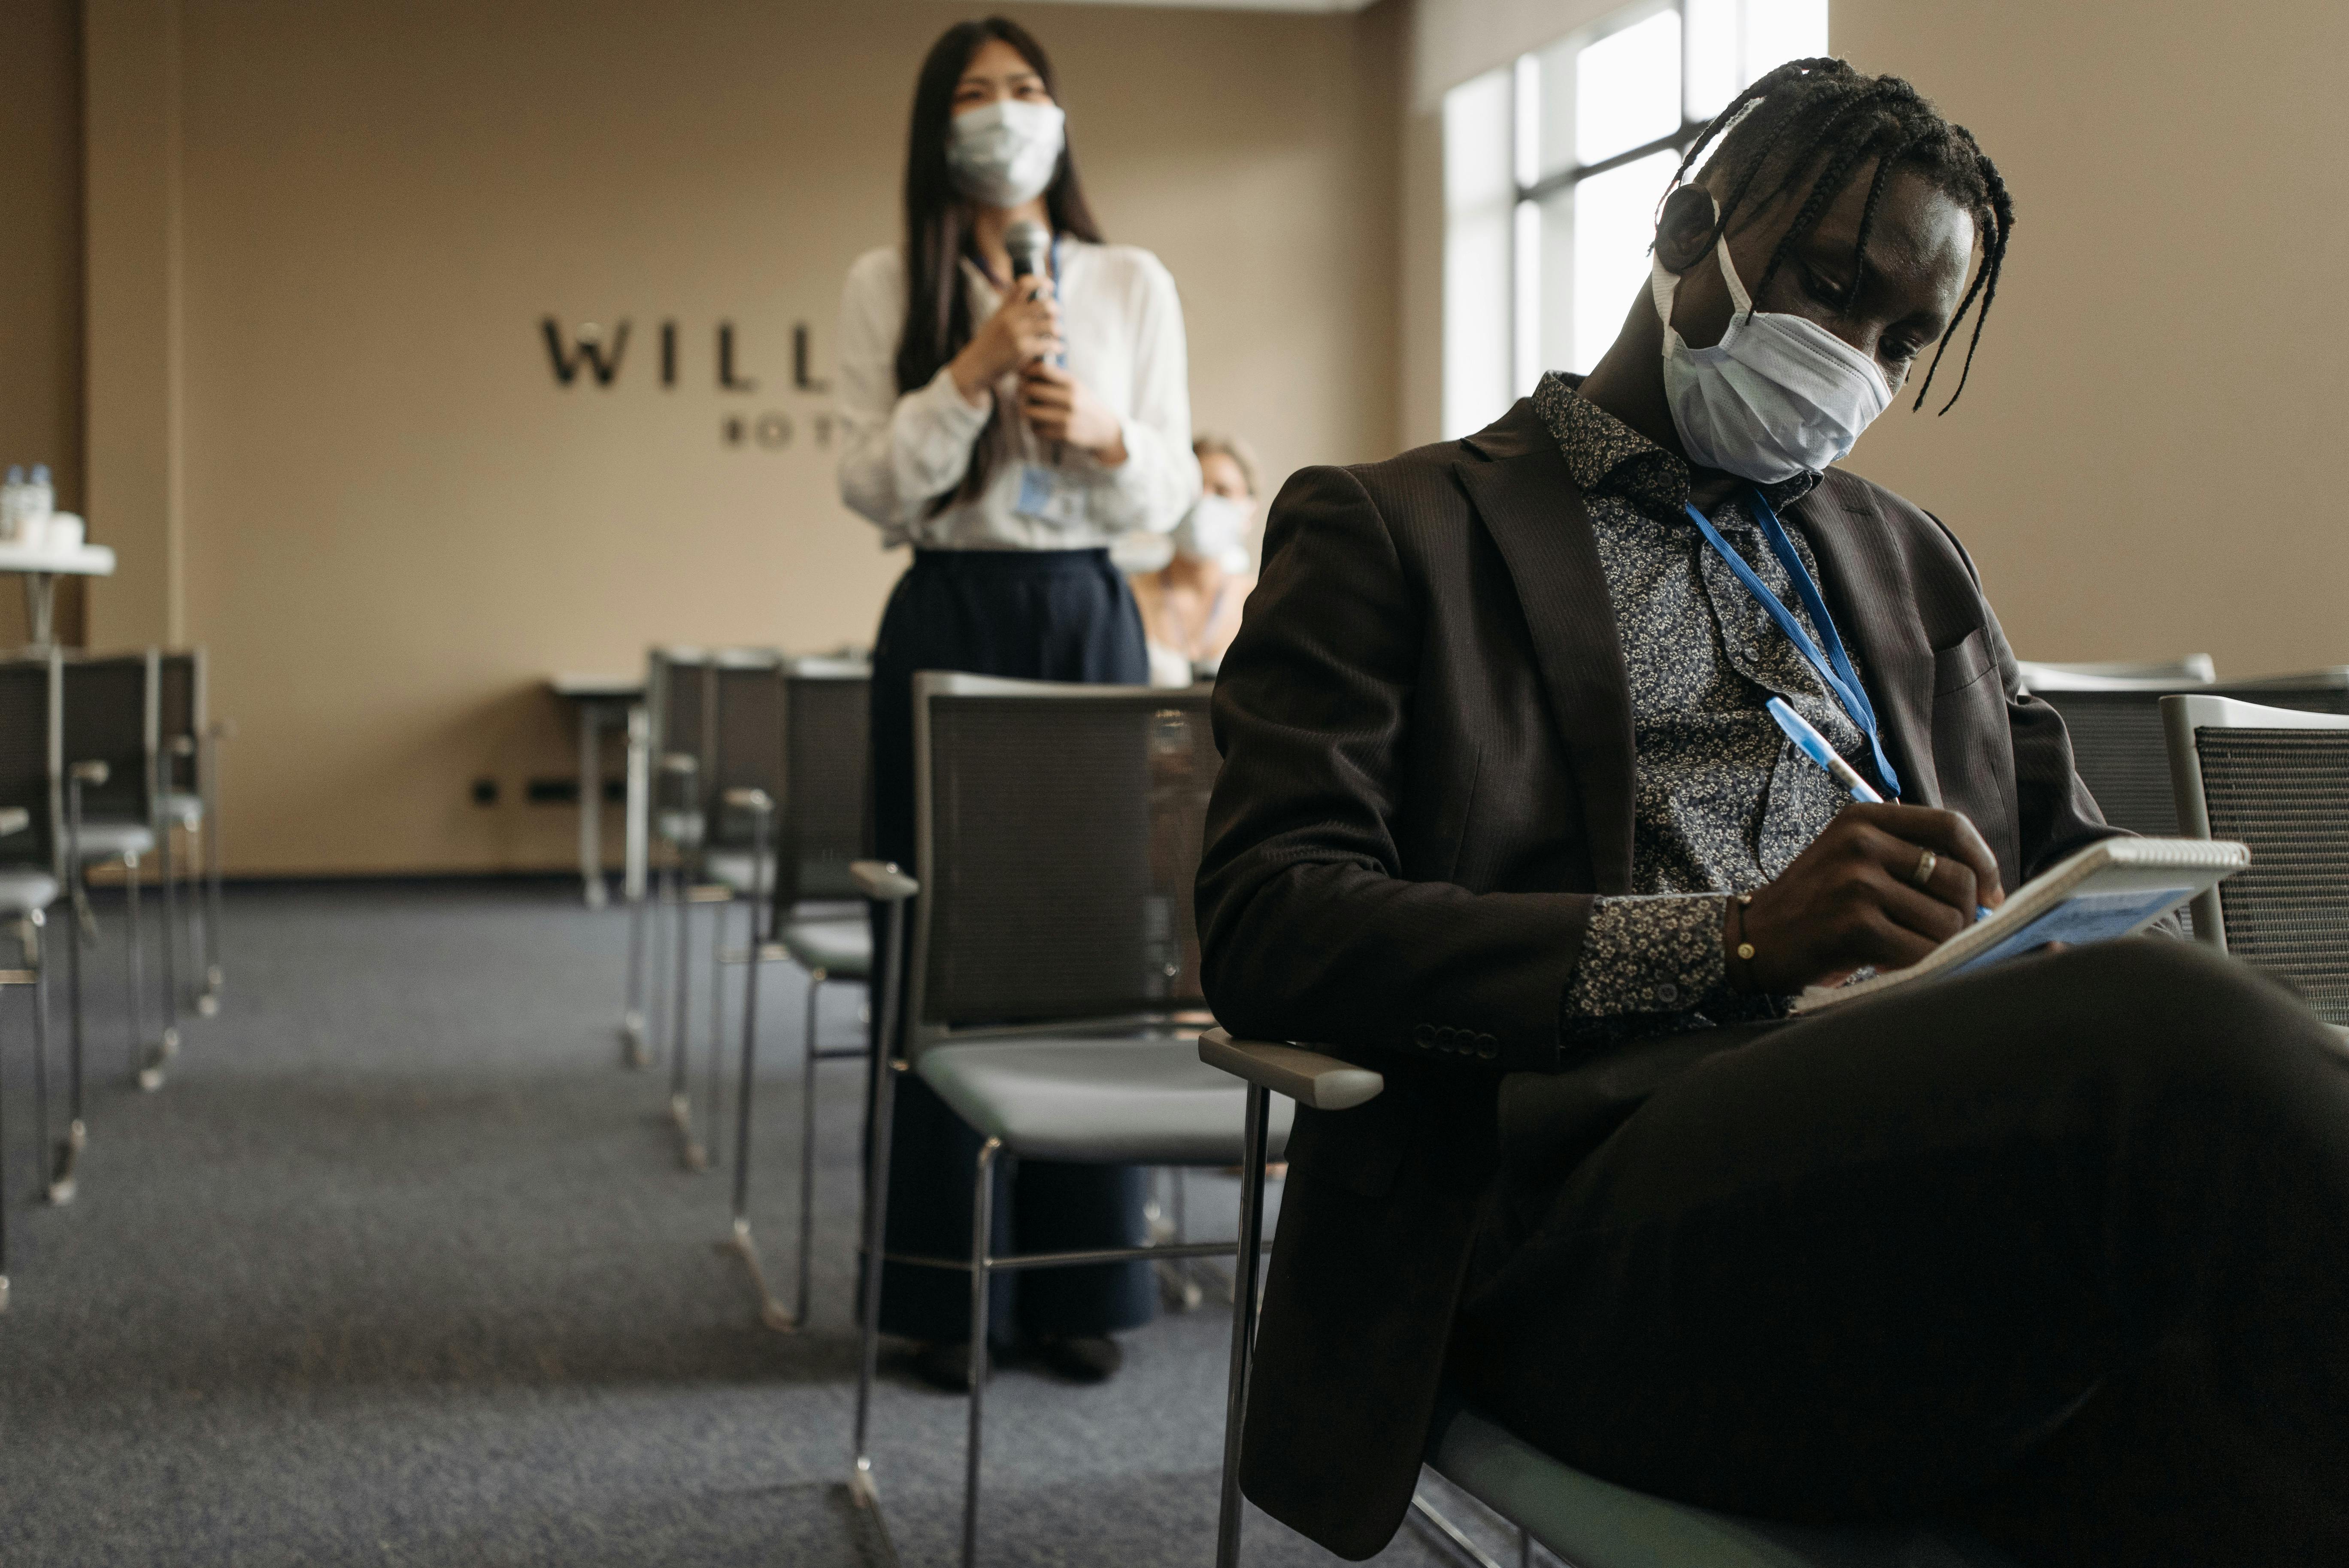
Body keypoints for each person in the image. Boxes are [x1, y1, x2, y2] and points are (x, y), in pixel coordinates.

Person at [1198, 58, 2349, 1567]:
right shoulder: (1396, 530)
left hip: (1919, 1183)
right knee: (2174, 1043)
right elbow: (1270, 920)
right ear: (1688, 230)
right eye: (1829, 286)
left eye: (1900, 338)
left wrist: (2038, 940)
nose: (1853, 357)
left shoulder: (1909, 560)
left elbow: (2074, 870)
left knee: (2250, 1436)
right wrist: (1730, 938)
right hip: (1583, 1218)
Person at [835, 16, 1199, 1390]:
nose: (1005, 113)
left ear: (1060, 117)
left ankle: (1075, 1286)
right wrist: (973, 372)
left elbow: (1165, 496)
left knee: (1091, 937)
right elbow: (872, 486)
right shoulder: (889, 281)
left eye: (1026, 88)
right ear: (940, 127)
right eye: (977, 94)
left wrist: (1110, 436)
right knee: (939, 945)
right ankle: (941, 1297)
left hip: (1086, 609)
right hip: (948, 605)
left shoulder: (1131, 280)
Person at [1131, 435, 1260, 686]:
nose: (1203, 501)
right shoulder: (1127, 599)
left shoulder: (1265, 602)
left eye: (1222, 491)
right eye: (1192, 489)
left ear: (1249, 509)